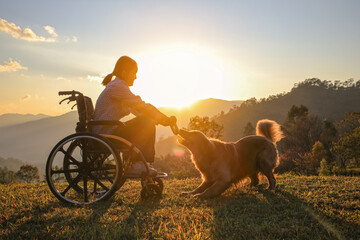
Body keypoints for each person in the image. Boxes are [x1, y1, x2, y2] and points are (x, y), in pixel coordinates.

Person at [92, 56, 175, 176]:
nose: (135, 77)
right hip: (106, 134)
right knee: (147, 121)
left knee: (147, 120)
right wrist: (163, 119)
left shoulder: (117, 86)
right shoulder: (118, 86)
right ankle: (136, 164)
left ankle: (140, 164)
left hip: (106, 131)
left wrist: (159, 119)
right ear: (125, 72)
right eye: (134, 73)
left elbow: (138, 111)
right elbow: (142, 106)